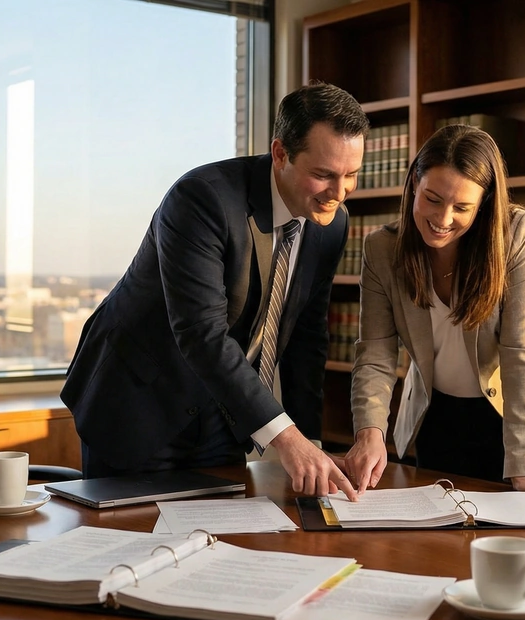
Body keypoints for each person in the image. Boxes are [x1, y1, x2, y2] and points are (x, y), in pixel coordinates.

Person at [62, 82, 368, 501]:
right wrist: (286, 439)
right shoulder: (203, 199)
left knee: (222, 542)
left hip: (225, 411)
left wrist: (309, 441)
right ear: (280, 154)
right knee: (132, 548)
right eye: (324, 175)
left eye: (351, 175)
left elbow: (306, 338)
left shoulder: (331, 225)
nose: (339, 192)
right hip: (140, 402)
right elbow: (201, 333)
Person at [344, 124, 525, 494]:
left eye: (462, 207)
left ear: (485, 203)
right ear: (414, 181)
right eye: (432, 198)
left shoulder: (517, 233)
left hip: (522, 418)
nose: (443, 219)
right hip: (439, 417)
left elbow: (521, 353)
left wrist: (524, 465)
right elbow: (376, 353)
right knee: (439, 544)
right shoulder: (382, 249)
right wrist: (369, 432)